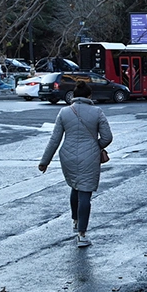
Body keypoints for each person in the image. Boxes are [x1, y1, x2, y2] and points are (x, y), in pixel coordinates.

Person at [38, 80, 113, 247]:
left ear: (75, 95)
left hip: (68, 156)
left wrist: (45, 161)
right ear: (89, 96)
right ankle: (82, 234)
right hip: (90, 156)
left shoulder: (64, 112)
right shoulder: (97, 112)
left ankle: (75, 220)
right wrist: (95, 147)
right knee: (85, 193)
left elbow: (55, 139)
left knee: (75, 186)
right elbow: (107, 137)